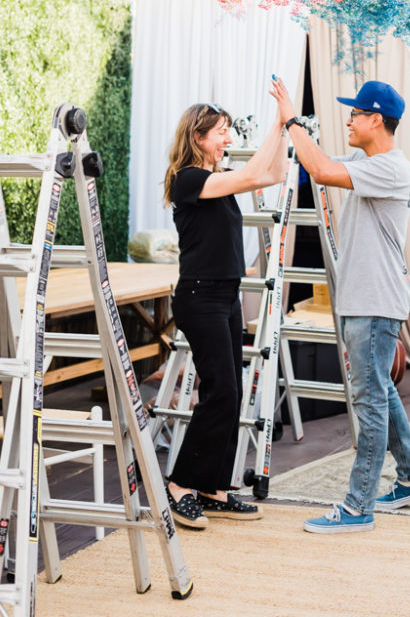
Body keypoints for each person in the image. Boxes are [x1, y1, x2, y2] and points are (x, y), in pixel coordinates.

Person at [271, 77, 410, 534]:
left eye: (356, 113)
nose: (349, 119)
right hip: (368, 297)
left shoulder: (393, 168)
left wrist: (291, 119)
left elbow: (321, 172)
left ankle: (358, 505)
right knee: (380, 390)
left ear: (376, 119)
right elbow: (313, 165)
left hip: (376, 301)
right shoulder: (366, 160)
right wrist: (286, 138)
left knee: (369, 401)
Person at [163, 99, 287, 529]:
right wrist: (279, 120)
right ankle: (180, 485)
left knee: (232, 394)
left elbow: (273, 174)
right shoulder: (189, 180)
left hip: (226, 297)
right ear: (198, 137)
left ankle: (214, 488)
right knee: (221, 392)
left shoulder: (215, 180)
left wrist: (286, 132)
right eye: (221, 133)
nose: (228, 140)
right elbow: (254, 173)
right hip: (200, 298)